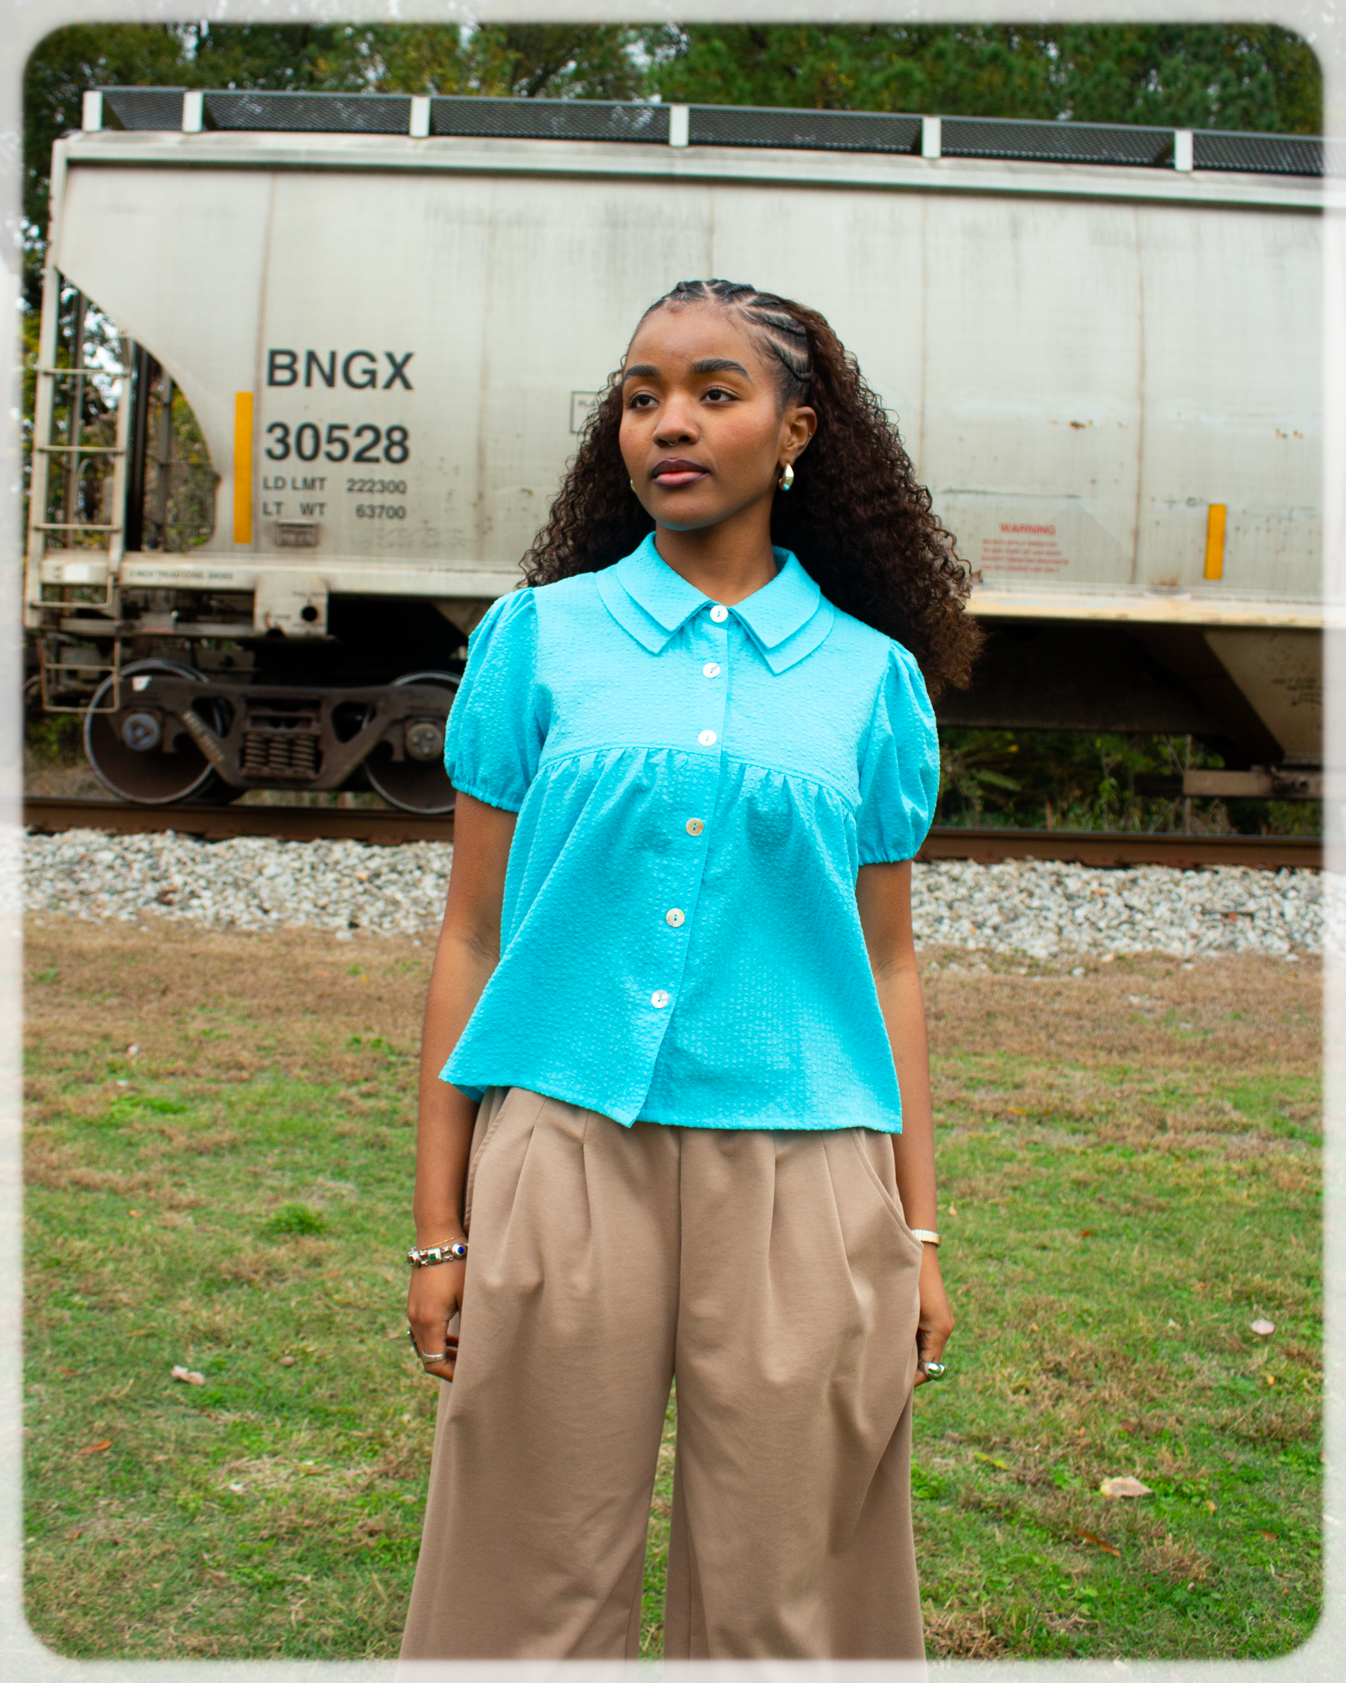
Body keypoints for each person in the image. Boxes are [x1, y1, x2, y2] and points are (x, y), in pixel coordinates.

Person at [399, 279, 981, 1662]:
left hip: (804, 1169)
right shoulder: (535, 641)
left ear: (795, 432)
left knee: (790, 1595)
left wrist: (918, 1233)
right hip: (558, 1150)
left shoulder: (871, 682)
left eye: (715, 392)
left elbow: (887, 966)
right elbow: (471, 937)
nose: (668, 422)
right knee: (521, 1583)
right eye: (641, 395)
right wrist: (438, 1228)